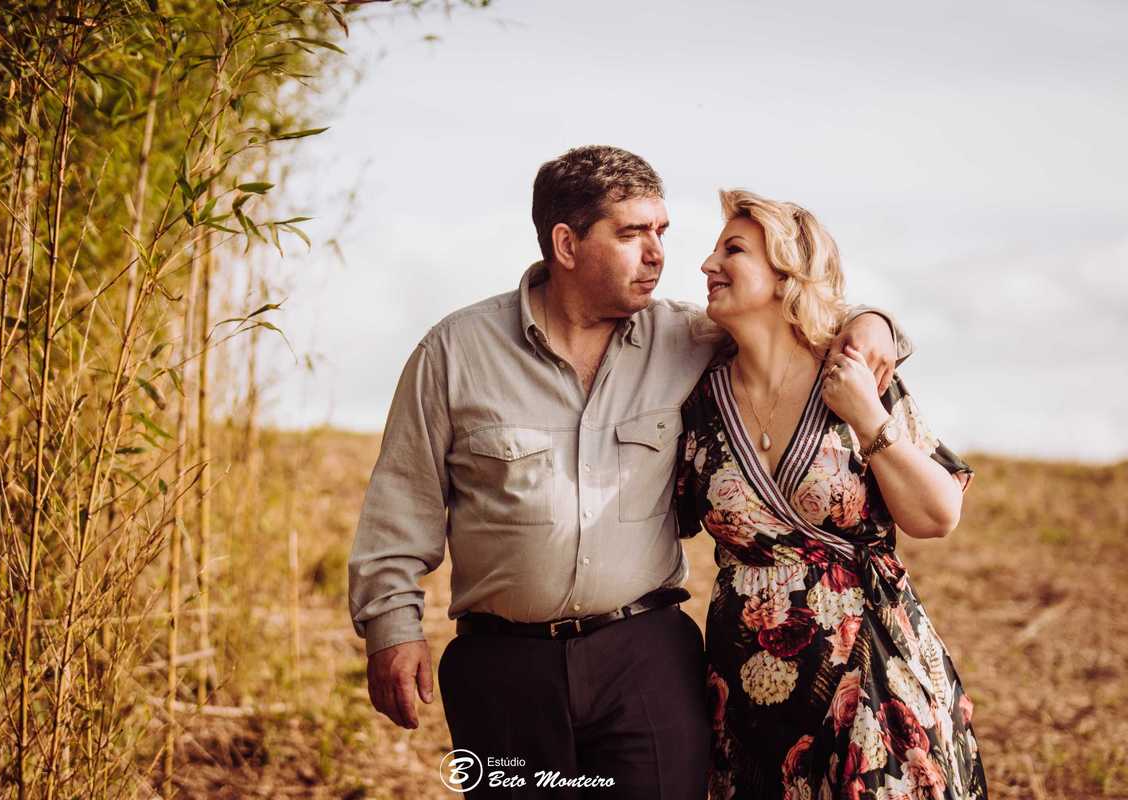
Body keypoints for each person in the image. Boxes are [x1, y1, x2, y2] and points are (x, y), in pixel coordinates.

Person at [347, 146, 909, 798]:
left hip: (644, 658)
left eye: (661, 231)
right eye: (632, 233)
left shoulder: (690, 338)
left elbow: (800, 316)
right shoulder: (455, 352)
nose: (658, 253)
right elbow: (400, 502)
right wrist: (393, 631)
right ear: (566, 242)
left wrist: (875, 325)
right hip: (502, 670)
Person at [675, 189, 987, 800]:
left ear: (787, 270)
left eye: (732, 250)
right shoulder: (698, 395)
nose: (708, 265)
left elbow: (938, 516)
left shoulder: (855, 373)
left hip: (869, 667)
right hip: (748, 683)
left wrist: (869, 418)